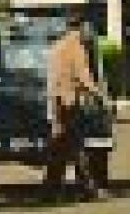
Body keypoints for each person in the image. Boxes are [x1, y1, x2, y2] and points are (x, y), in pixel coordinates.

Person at [44, 11, 104, 200]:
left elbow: (52, 79)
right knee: (76, 147)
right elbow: (83, 75)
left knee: (61, 149)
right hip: (70, 102)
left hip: (57, 101)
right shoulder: (76, 47)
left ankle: (53, 189)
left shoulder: (57, 47)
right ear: (80, 27)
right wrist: (100, 95)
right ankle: (87, 188)